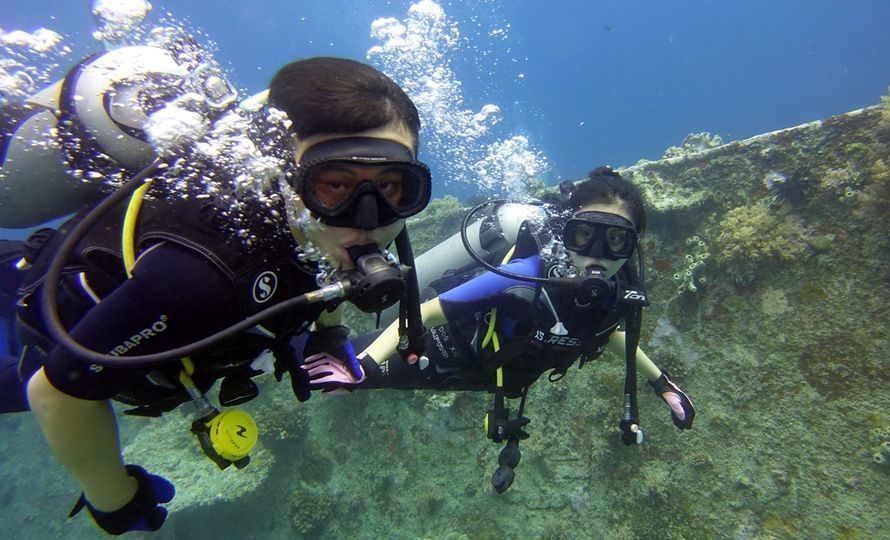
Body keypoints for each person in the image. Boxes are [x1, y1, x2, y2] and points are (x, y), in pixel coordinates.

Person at [0, 48, 432, 534]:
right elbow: (58, 392)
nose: (369, 218)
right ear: (283, 175)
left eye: (393, 187)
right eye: (335, 184)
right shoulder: (196, 280)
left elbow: (325, 272)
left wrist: (326, 334)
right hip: (30, 334)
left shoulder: (335, 231)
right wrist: (114, 499)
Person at [303, 166, 695, 492]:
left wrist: (661, 383)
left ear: (633, 247)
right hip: (439, 354)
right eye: (584, 235)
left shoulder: (613, 295)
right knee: (320, 373)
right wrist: (366, 364)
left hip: (492, 379)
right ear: (565, 231)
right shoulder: (524, 276)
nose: (597, 255)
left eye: (616, 240)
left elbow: (607, 333)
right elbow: (427, 313)